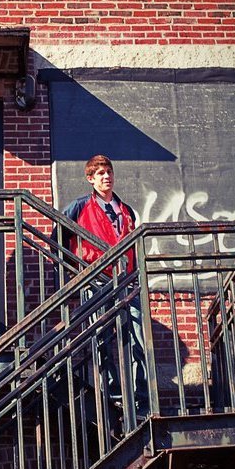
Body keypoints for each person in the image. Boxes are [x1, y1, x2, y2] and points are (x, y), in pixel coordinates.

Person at [60, 154, 147, 414]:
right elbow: (58, 239)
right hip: (96, 280)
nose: (106, 176)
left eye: (109, 172)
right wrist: (73, 273)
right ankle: (112, 396)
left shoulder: (126, 210)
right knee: (102, 339)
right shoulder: (79, 207)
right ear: (90, 178)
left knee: (139, 339)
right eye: (100, 173)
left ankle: (141, 397)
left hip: (127, 281)